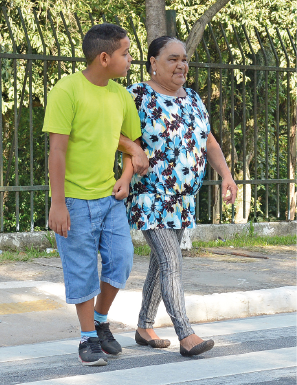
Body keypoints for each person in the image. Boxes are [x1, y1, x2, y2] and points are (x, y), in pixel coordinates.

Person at [42, 23, 148, 367]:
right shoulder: (67, 89)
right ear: (104, 58)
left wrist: (127, 177)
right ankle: (88, 338)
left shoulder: (120, 96)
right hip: (72, 199)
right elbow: (56, 150)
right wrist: (58, 203)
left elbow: (135, 146)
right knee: (82, 270)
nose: (130, 60)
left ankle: (101, 320)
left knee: (122, 260)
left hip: (109, 198)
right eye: (125, 53)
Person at [126, 36, 237, 357]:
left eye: (184, 59)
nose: (181, 65)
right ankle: (186, 334)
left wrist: (227, 175)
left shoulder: (192, 98)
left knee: (161, 264)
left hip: (182, 199)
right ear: (153, 62)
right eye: (173, 59)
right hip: (150, 195)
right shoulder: (137, 95)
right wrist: (134, 148)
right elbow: (111, 131)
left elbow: (208, 141)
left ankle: (144, 327)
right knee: (171, 261)